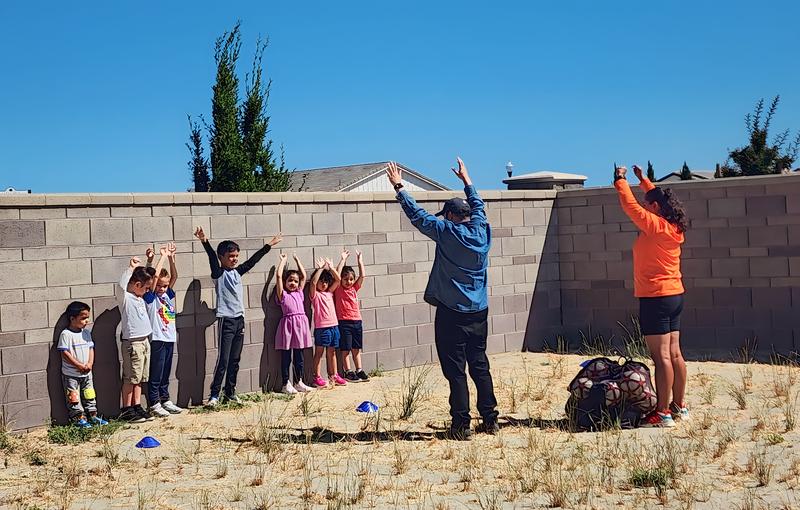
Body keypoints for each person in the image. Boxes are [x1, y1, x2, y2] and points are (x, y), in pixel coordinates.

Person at [387, 158, 499, 439]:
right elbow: (479, 206)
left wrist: (399, 187)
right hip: (479, 311)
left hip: (452, 313)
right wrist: (467, 180)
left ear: (449, 215)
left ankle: (461, 425)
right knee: (480, 365)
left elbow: (418, 216)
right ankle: (490, 419)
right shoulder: (482, 230)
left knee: (456, 371)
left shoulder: (447, 232)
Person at [614, 164, 689, 428]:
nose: (645, 207)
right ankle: (679, 406)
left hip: (655, 298)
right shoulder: (674, 226)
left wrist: (620, 180)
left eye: (649, 205)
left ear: (655, 208)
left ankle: (663, 413)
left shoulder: (655, 226)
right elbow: (658, 197)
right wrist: (643, 180)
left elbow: (630, 206)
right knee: (675, 354)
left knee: (662, 357)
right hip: (674, 296)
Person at [194, 227, 282, 407]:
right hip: (226, 320)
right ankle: (214, 395)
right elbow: (211, 258)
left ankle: (230, 392)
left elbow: (252, 261)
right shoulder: (219, 274)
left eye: (236, 256)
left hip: (239, 320)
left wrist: (268, 245)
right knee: (224, 360)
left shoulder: (237, 272)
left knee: (235, 359)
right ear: (222, 257)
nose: (234, 259)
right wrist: (204, 241)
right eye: (230, 256)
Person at [143, 242, 183, 417]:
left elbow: (174, 276)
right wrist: (162, 257)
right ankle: (154, 403)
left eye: (164, 286)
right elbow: (155, 276)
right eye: (159, 285)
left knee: (166, 371)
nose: (162, 289)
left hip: (169, 337)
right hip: (157, 338)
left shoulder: (168, 294)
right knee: (156, 372)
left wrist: (172, 259)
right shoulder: (151, 297)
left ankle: (165, 399)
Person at [58, 301, 108, 428]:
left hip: (87, 372)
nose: (86, 321)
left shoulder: (86, 333)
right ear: (72, 318)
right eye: (83, 318)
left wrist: (90, 363)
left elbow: (91, 349)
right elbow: (65, 353)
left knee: (89, 394)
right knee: (73, 397)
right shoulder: (66, 334)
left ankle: (93, 416)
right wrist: (78, 365)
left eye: (87, 317)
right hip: (71, 374)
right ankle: (78, 418)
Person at [118, 257, 155, 423]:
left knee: (140, 377)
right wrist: (131, 268)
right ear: (137, 285)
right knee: (131, 378)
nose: (147, 291)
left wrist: (149, 263)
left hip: (144, 341)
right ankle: (127, 409)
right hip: (133, 344)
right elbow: (121, 286)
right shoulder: (126, 298)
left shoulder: (140, 298)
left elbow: (148, 277)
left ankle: (137, 405)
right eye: (145, 288)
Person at [275, 253, 314, 394]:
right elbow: (278, 276)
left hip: (300, 326)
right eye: (290, 280)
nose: (293, 283)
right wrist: (283, 261)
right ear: (285, 282)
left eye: (295, 281)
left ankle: (299, 382)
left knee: (299, 356)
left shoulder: (299, 293)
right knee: (286, 356)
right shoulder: (283, 295)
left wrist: (297, 260)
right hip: (288, 326)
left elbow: (303, 276)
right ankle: (285, 383)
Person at [309, 258, 347, 388]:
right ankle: (316, 377)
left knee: (332, 352)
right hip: (322, 328)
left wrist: (331, 267)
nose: (324, 284)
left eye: (326, 281)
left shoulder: (329, 293)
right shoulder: (315, 295)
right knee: (319, 352)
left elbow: (338, 280)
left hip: (334, 326)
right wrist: (320, 269)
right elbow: (313, 283)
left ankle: (334, 375)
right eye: (322, 281)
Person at [335, 249, 369, 382]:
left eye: (351, 279)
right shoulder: (338, 289)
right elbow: (337, 276)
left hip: (357, 321)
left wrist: (360, 261)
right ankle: (348, 371)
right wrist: (342, 259)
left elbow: (362, 276)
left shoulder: (354, 288)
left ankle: (359, 370)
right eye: (346, 279)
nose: (348, 282)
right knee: (346, 349)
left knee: (356, 348)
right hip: (344, 322)